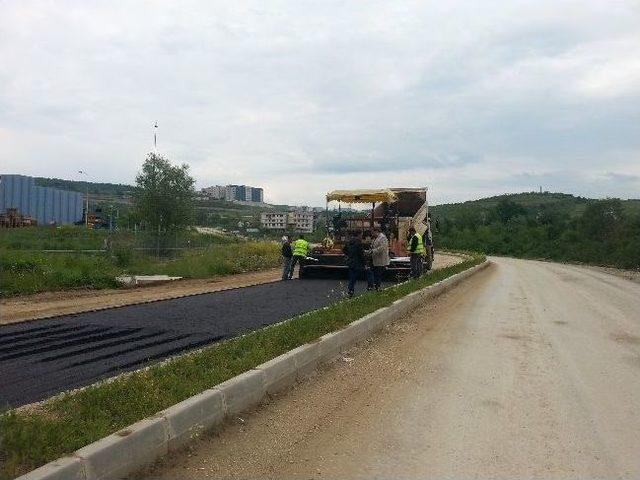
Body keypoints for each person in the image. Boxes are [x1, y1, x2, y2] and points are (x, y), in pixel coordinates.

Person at [342, 231, 372, 297]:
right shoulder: (358, 243)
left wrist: (349, 255)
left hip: (351, 262)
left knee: (352, 277)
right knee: (369, 273)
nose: (361, 236)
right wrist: (365, 264)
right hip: (358, 263)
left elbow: (344, 250)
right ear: (358, 235)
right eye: (361, 235)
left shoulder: (349, 242)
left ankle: (350, 290)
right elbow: (361, 255)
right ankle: (370, 286)